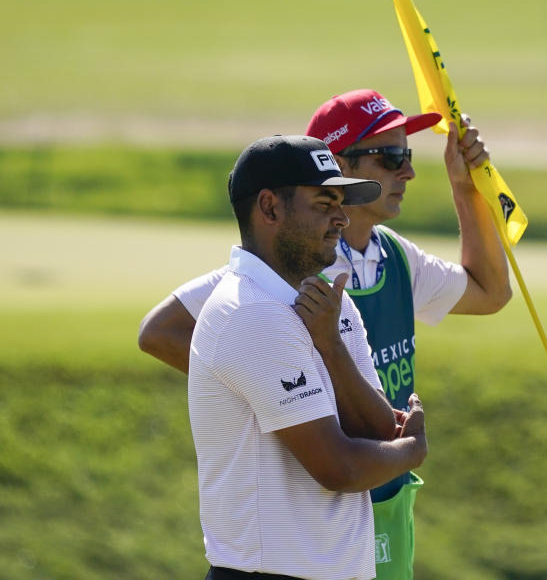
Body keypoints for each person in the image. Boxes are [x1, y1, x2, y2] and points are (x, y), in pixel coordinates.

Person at [139, 90, 511, 579]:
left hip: (380, 497)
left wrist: (466, 190)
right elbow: (159, 332)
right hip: (305, 524)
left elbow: (490, 292)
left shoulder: (373, 273)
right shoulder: (256, 296)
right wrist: (273, 391)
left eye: (409, 156)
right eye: (390, 156)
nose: (407, 172)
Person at [188, 134, 427, 580]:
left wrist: (331, 348)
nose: (341, 217)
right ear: (270, 208)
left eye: (341, 202)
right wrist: (410, 451)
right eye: (323, 202)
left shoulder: (332, 301)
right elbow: (339, 467)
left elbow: (375, 428)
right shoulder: (250, 313)